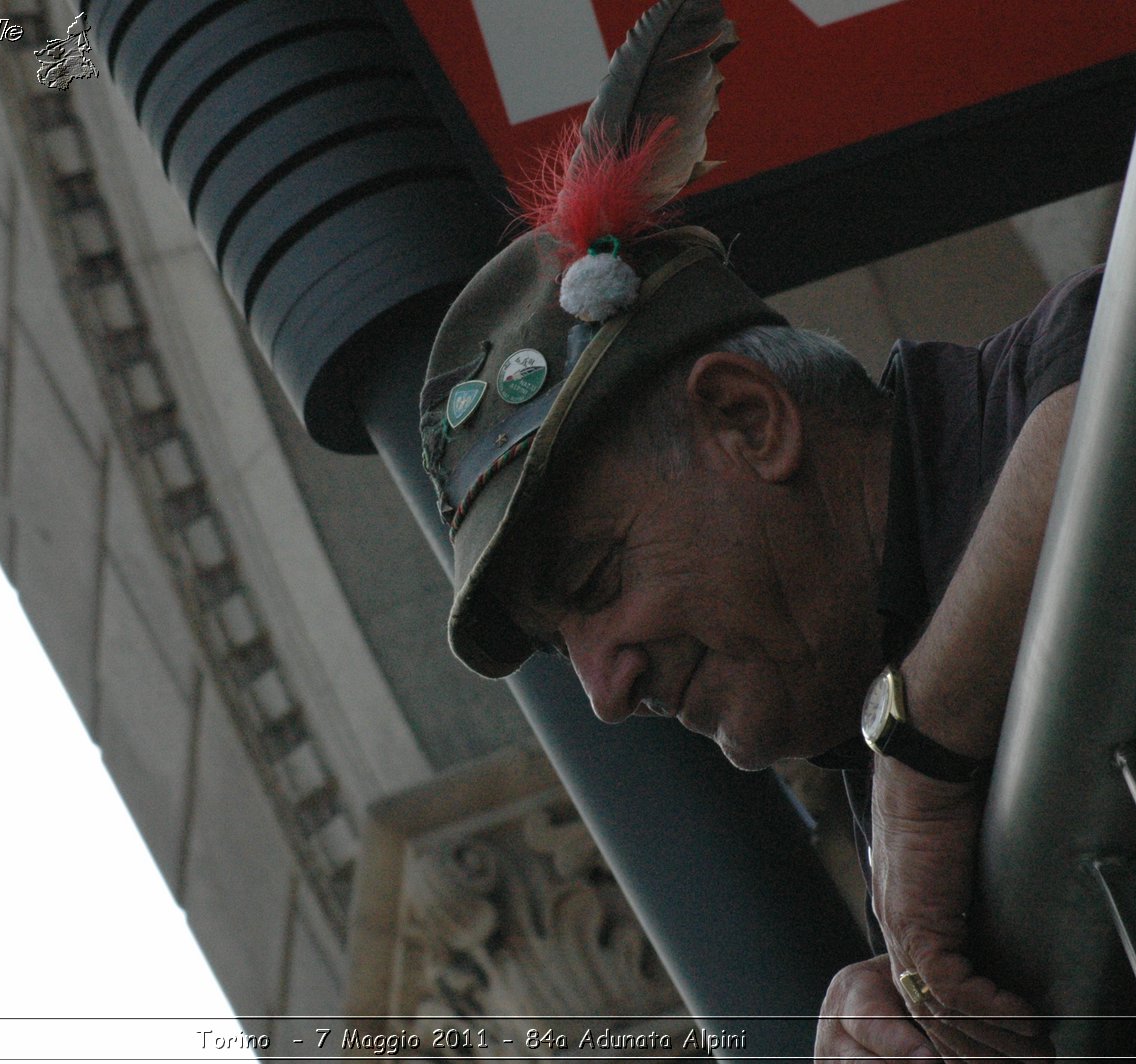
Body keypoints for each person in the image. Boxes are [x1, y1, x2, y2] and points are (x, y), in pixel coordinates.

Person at [418, 0, 1084, 1058]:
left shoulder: (1072, 362)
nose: (603, 689)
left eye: (594, 580)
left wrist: (919, 743)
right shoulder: (899, 862)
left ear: (747, 418)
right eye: (564, 648)